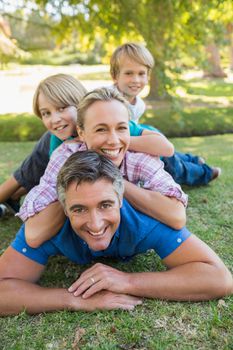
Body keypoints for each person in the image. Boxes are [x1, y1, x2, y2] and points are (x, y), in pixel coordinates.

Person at [0, 150, 232, 316]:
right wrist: (73, 299)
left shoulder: (144, 221)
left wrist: (127, 281)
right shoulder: (47, 226)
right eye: (79, 209)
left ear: (122, 199)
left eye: (105, 205)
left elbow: (219, 278)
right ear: (63, 207)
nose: (95, 223)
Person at [18, 87, 187, 247]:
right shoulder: (65, 157)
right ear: (82, 133)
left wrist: (112, 182)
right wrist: (82, 191)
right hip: (82, 251)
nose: (113, 140)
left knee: (185, 167)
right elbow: (34, 235)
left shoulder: (137, 159)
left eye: (121, 128)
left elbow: (177, 216)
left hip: (128, 243)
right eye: (101, 129)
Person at [110, 42, 222, 186]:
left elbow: (135, 131)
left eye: (141, 74)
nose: (136, 80)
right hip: (124, 145)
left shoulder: (139, 104)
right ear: (115, 75)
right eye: (128, 73)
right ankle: (203, 170)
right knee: (172, 165)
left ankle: (197, 164)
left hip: (136, 140)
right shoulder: (109, 100)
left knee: (168, 155)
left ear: (148, 76)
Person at [0, 74, 87, 218]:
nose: (55, 120)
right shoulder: (53, 140)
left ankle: (12, 197)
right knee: (26, 175)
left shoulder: (100, 128)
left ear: (81, 103)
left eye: (61, 108)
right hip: (53, 172)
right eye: (46, 113)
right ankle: (10, 197)